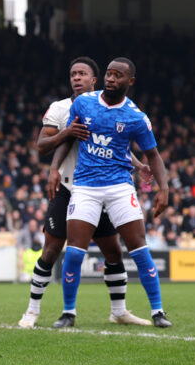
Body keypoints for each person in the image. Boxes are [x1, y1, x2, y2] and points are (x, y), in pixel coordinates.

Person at [19, 57, 152, 328]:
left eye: (82, 74)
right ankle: (32, 311)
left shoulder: (103, 107)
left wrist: (139, 165)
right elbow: (41, 145)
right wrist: (63, 139)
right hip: (68, 186)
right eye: (72, 74)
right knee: (53, 248)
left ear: (95, 80)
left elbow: (118, 146)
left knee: (113, 251)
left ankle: (119, 311)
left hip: (101, 187)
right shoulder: (59, 108)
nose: (76, 78)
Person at [53, 58, 172, 328]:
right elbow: (70, 137)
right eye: (108, 73)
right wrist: (54, 168)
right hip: (84, 186)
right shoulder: (83, 103)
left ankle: (158, 311)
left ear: (129, 82)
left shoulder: (136, 117)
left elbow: (152, 154)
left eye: (118, 76)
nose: (110, 79)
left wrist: (163, 189)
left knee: (140, 250)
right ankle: (68, 313)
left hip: (119, 187)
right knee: (73, 252)